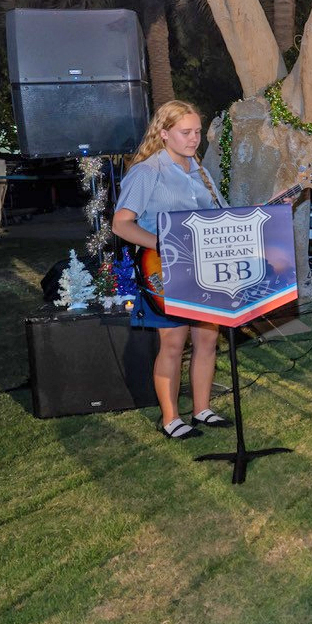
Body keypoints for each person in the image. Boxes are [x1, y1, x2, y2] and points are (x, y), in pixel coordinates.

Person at [112, 100, 229, 439]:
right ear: (163, 134)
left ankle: (202, 409)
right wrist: (164, 244)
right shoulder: (147, 172)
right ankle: (171, 418)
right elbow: (121, 224)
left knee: (207, 338)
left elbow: (220, 217)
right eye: (185, 132)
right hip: (164, 268)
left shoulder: (200, 171)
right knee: (174, 343)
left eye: (197, 132)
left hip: (203, 268)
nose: (194, 139)